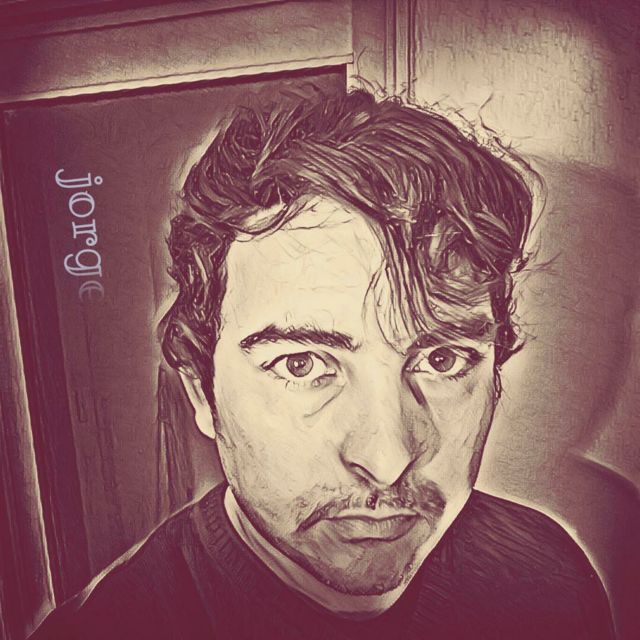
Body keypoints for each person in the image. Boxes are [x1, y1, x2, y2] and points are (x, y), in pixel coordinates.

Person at [30, 89, 614, 639]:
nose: (386, 461)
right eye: (302, 365)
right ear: (202, 391)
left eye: (441, 359)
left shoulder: (547, 575)